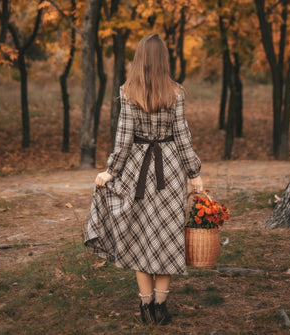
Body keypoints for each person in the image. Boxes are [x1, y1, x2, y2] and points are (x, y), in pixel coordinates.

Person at [84, 33, 203, 325]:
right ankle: (161, 309)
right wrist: (194, 173)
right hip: (170, 171)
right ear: (163, 59)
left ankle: (146, 308)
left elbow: (124, 140)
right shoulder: (176, 92)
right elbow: (182, 137)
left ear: (139, 59)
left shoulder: (128, 92)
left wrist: (111, 171)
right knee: (166, 236)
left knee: (140, 237)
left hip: (137, 170)